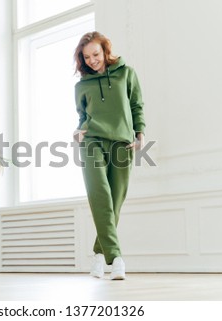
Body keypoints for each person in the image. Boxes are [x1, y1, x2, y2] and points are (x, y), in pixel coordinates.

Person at [73, 31, 145, 280]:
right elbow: (83, 117)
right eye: (87, 57)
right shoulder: (81, 85)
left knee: (115, 200)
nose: (92, 60)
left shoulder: (126, 74)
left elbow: (136, 105)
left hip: (123, 143)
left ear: (105, 51)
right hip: (91, 141)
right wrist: (78, 130)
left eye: (96, 54)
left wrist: (140, 133)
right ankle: (116, 259)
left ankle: (98, 254)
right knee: (99, 195)